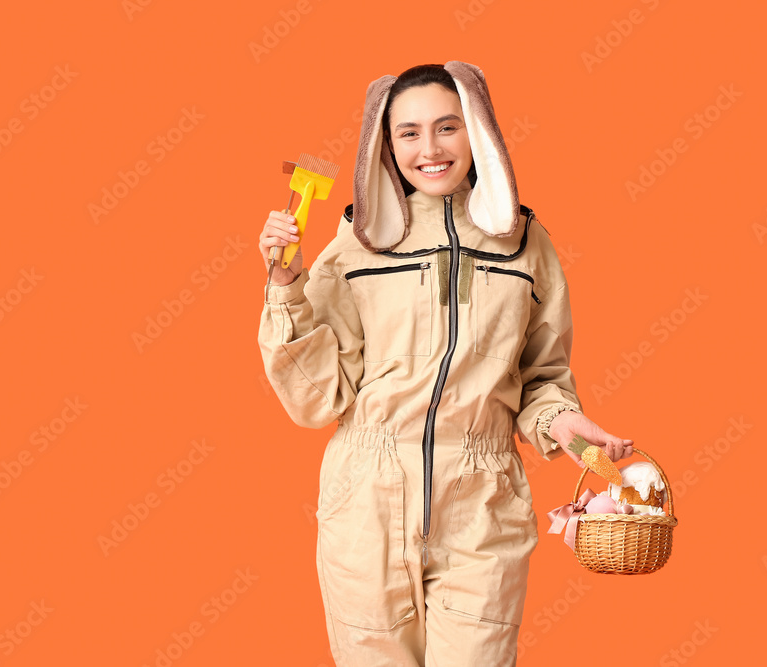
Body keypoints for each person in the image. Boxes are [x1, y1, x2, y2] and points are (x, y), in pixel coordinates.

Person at [258, 61, 634, 666]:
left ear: (477, 132)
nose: (429, 149)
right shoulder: (358, 243)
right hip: (367, 503)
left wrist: (562, 423)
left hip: (481, 505)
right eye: (408, 133)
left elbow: (540, 375)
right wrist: (285, 285)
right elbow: (317, 398)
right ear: (387, 143)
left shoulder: (523, 242)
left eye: (446, 127)